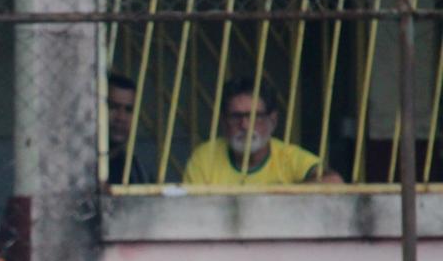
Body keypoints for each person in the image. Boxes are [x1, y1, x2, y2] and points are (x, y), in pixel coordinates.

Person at [183, 76, 343, 185]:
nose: (245, 125)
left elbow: (333, 182)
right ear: (223, 122)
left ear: (272, 120)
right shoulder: (204, 158)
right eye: (236, 116)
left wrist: (278, 195)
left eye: (255, 117)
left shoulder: (288, 157)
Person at [105, 73, 183, 185]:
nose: (121, 117)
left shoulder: (137, 171)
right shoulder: (78, 165)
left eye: (129, 110)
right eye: (113, 107)